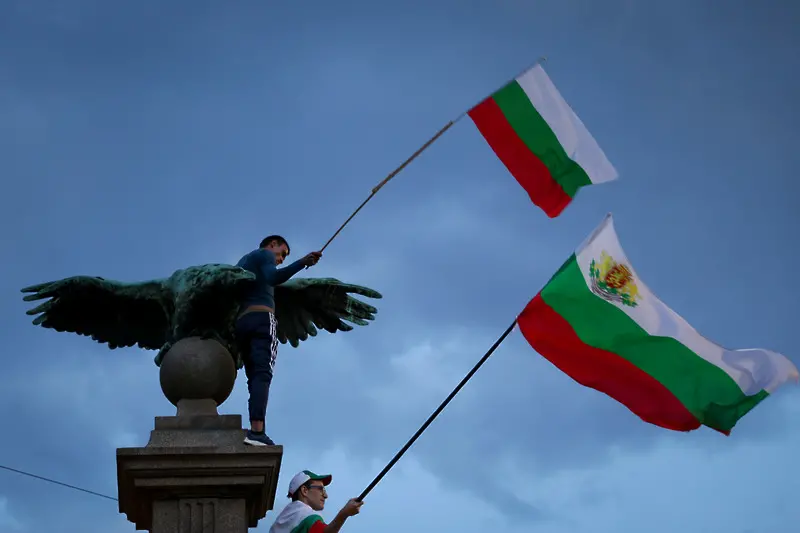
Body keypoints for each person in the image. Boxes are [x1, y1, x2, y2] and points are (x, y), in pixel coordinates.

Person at [235, 235, 322, 446]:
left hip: (242, 323)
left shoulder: (243, 263)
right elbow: (273, 277)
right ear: (272, 244)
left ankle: (256, 429)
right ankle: (257, 432)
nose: (281, 259)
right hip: (262, 319)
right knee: (262, 374)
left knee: (253, 378)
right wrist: (303, 262)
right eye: (282, 253)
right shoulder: (264, 255)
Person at [269, 470, 363, 533]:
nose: (325, 496)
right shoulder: (304, 513)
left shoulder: (284, 518)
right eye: (321, 489)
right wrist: (344, 513)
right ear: (304, 490)